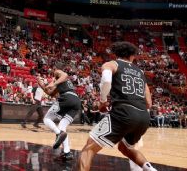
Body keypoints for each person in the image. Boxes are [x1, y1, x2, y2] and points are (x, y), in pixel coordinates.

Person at [78, 42, 157, 171]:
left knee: (89, 149)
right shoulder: (140, 72)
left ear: (115, 54)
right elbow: (149, 102)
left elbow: (107, 80)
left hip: (123, 112)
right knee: (125, 147)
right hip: (143, 116)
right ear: (132, 56)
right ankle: (151, 169)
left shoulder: (112, 64)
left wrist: (103, 101)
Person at [39, 65, 81, 161]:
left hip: (67, 98)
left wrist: (53, 84)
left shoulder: (58, 72)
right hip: (76, 101)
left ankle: (58, 134)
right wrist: (41, 84)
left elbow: (65, 75)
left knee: (47, 119)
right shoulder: (59, 83)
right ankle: (67, 153)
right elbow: (50, 93)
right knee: (62, 127)